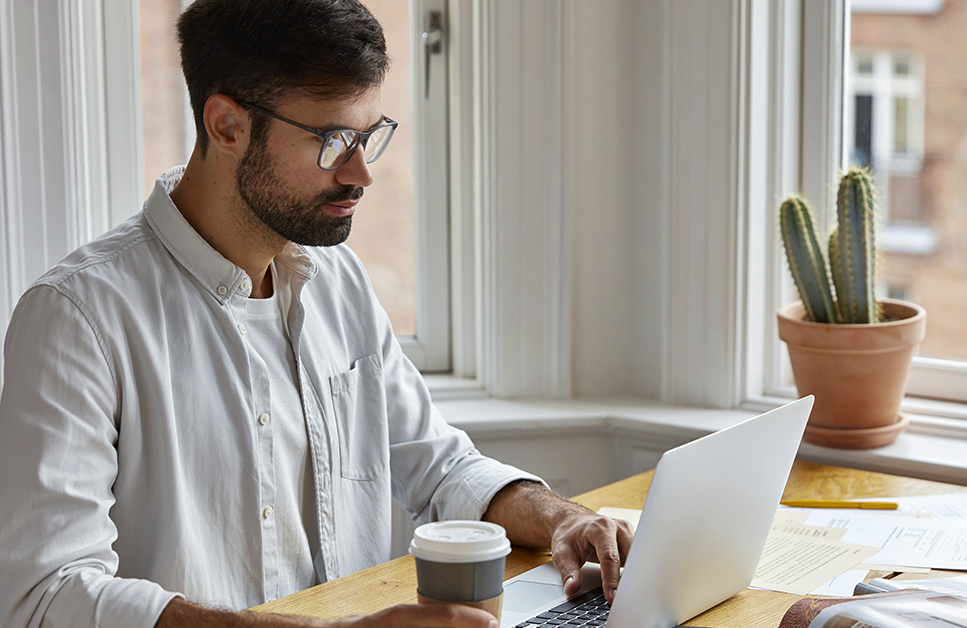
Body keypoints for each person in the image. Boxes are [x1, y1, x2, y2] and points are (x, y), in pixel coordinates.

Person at [0, 1, 633, 627]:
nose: (361, 173)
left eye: (368, 136)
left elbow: (440, 467)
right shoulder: (77, 316)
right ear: (225, 125)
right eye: (333, 140)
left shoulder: (338, 282)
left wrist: (564, 518)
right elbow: (47, 596)